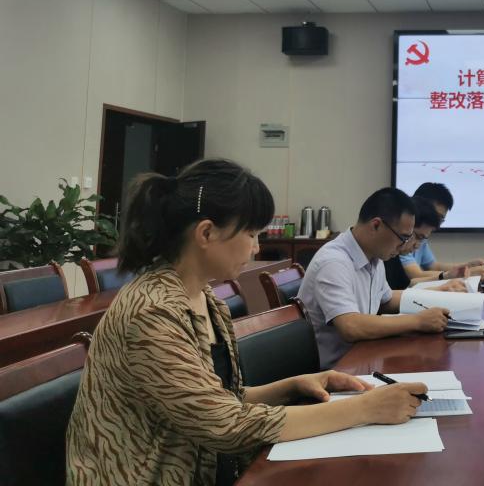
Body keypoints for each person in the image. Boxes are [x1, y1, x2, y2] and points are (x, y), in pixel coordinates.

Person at [66, 159, 425, 486]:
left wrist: (294, 386)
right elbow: (226, 425)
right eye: (251, 234)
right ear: (206, 233)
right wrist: (365, 408)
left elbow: (220, 399)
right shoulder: (151, 313)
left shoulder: (206, 300)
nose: (256, 248)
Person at [298, 187, 451, 370]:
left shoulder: (374, 257)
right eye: (403, 238)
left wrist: (443, 299)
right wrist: (418, 321)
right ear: (376, 225)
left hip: (364, 359)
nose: (404, 245)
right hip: (334, 372)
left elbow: (387, 299)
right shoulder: (334, 262)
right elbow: (351, 326)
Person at [399, 183, 484, 282]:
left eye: (441, 219)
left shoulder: (421, 236)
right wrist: (467, 273)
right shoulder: (403, 239)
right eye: (436, 216)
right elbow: (415, 276)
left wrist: (468, 266)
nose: (437, 224)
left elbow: (433, 266)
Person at [384, 197, 467, 292]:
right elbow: (388, 297)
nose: (417, 246)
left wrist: (445, 277)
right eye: (418, 237)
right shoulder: (386, 254)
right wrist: (440, 288)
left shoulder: (394, 255)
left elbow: (405, 285)